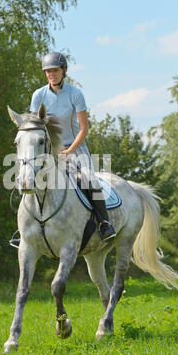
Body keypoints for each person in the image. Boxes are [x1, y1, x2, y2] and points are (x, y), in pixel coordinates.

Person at [30, 51, 116, 241]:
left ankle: (104, 223)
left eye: (55, 70)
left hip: (75, 147)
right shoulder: (38, 95)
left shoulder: (75, 94)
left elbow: (84, 129)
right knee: (29, 177)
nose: (51, 74)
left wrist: (69, 151)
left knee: (89, 179)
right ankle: (24, 229)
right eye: (47, 71)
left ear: (64, 70)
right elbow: (35, 127)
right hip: (49, 149)